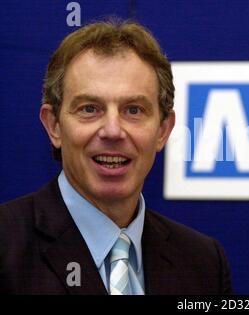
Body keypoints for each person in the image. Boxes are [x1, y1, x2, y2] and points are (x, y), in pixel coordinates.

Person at [0, 19, 233, 295]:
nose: (113, 130)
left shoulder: (203, 262)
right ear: (54, 126)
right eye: (89, 108)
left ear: (162, 130)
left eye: (133, 110)